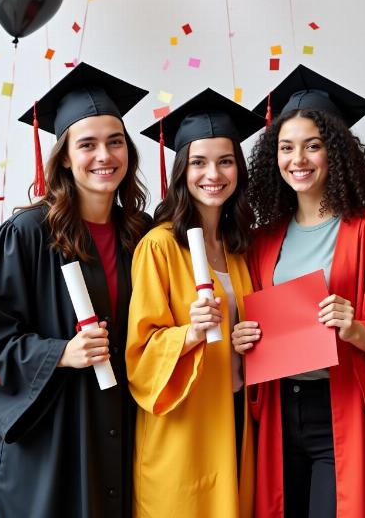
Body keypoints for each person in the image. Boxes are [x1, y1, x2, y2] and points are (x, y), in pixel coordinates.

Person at [232, 65, 365, 518]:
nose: (298, 159)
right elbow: (261, 332)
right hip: (280, 410)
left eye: (313, 146)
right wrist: (245, 342)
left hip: (344, 408)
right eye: (286, 147)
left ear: (335, 152)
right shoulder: (262, 240)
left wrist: (355, 328)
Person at [0, 63, 150, 518]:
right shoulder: (27, 234)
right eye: (86, 144)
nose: (104, 155)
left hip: (119, 425)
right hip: (52, 436)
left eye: (115, 141)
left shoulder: (140, 234)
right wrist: (61, 353)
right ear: (65, 156)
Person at [126, 89, 265, 518]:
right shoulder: (159, 247)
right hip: (182, 431)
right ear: (182, 170)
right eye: (200, 162)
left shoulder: (241, 248)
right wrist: (189, 333)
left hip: (234, 418)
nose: (214, 174)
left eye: (225, 161)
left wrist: (248, 337)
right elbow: (139, 355)